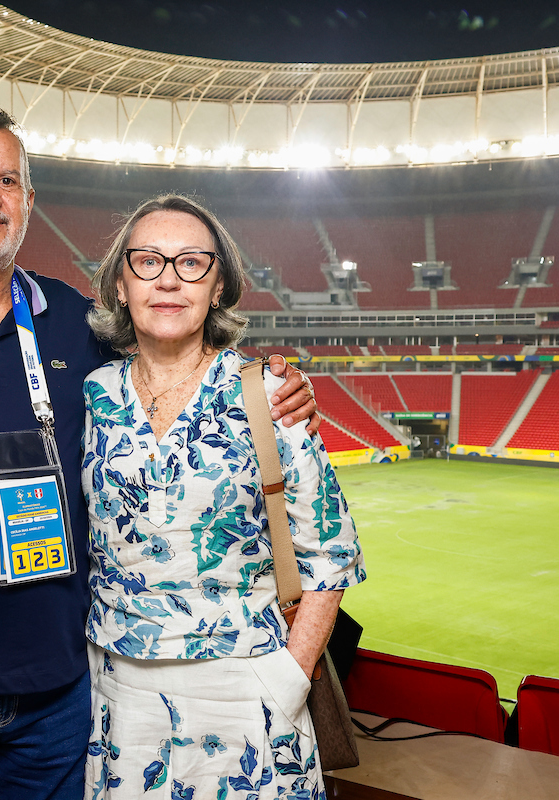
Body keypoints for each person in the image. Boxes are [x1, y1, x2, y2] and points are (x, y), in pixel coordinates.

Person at [0, 105, 318, 799]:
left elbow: (175, 352)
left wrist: (272, 380)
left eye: (8, 181)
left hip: (65, 685)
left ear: (29, 202)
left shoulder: (77, 321)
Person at [81, 195, 365, 799]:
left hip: (246, 698)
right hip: (117, 699)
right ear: (120, 283)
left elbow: (330, 553)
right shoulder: (93, 394)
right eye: (148, 261)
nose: (168, 280)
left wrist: (288, 677)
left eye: (192, 263)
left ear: (218, 288)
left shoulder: (268, 393)